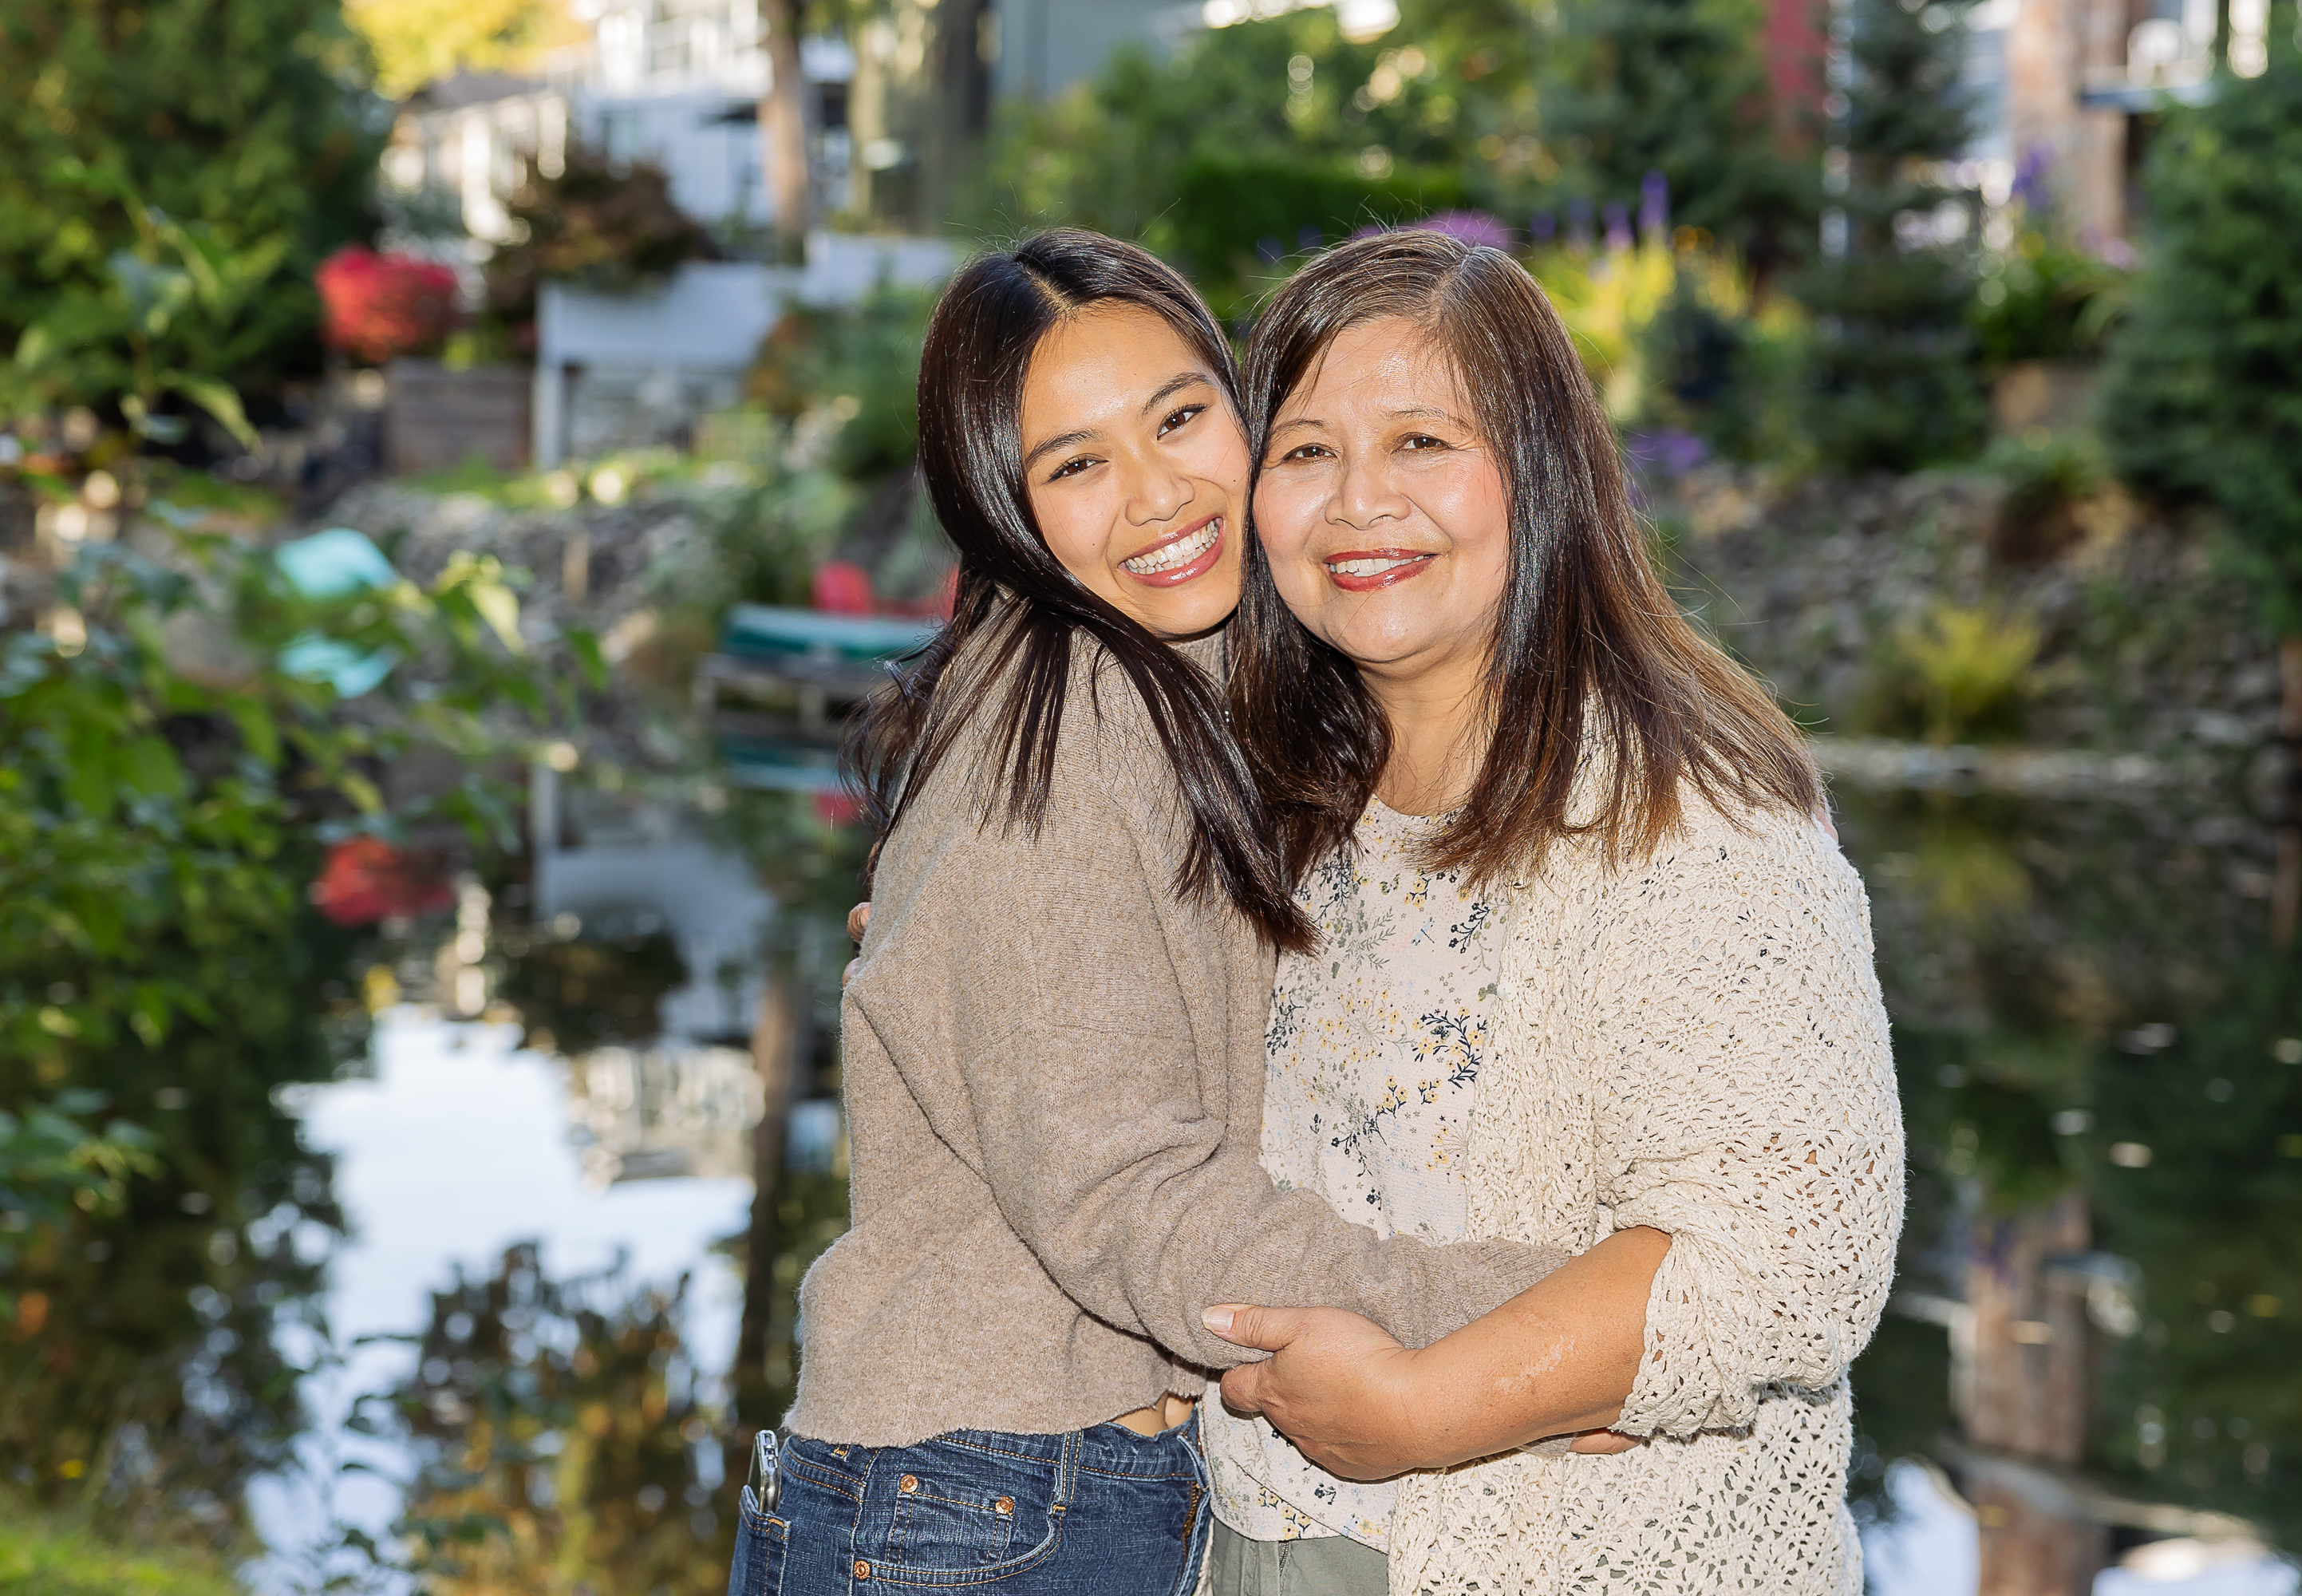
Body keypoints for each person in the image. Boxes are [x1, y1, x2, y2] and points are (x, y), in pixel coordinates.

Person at [724, 230, 1570, 1596]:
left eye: (1180, 418)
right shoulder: (1062, 729)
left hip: (990, 1495)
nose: (1156, 496)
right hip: (982, 1511)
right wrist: (1546, 1328)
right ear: (1003, 504)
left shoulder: (1166, 698)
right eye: (1074, 465)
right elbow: (1128, 1188)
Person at [1200, 228, 1904, 1594]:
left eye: (1422, 442)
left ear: (1542, 472)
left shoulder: (1695, 814)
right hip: (1247, 1541)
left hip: (1566, 1556)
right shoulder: (1258, 793)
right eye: (1306, 451)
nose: (1360, 503)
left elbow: (1789, 1259)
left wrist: (1424, 1410)